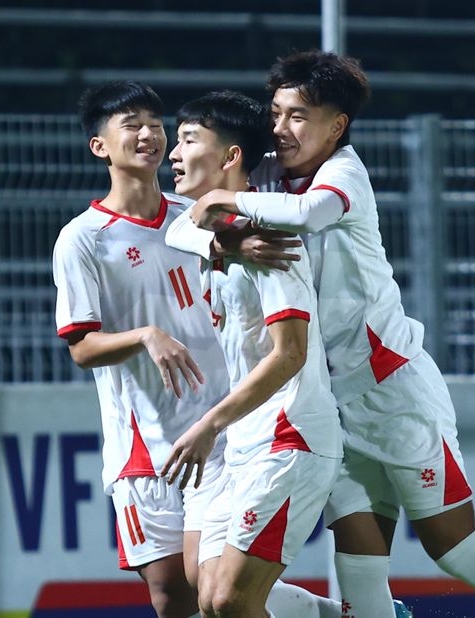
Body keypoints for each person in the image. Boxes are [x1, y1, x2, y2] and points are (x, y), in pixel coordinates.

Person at [180, 52, 475, 618]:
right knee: (359, 564)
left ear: (336, 125)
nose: (281, 129)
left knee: (456, 551)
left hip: (393, 392)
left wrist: (229, 203)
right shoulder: (264, 172)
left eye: (298, 116)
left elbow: (312, 213)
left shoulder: (344, 172)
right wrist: (223, 243)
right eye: (276, 113)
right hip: (330, 404)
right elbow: (180, 221)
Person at [52, 81, 240, 618]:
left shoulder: (198, 214)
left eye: (156, 123)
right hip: (145, 447)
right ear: (100, 146)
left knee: (223, 591)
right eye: (131, 123)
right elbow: (82, 347)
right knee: (171, 597)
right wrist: (144, 335)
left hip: (223, 432)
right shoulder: (83, 238)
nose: (149, 134)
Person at [161, 90, 343, 617]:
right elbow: (182, 226)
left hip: (290, 435)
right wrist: (221, 243)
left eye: (189, 140)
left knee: (231, 600)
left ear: (231, 157)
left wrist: (209, 424)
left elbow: (289, 355)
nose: (174, 154)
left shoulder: (270, 240)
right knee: (210, 595)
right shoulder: (218, 238)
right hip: (247, 440)